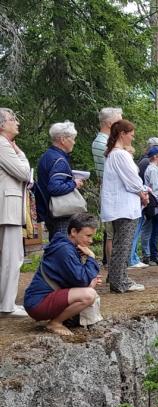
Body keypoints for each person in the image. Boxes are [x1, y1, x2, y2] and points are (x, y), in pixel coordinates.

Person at [23, 213, 101, 336]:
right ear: (74, 231)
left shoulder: (68, 247)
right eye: (88, 236)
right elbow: (82, 280)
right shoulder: (64, 250)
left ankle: (65, 319)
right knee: (89, 295)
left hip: (41, 300)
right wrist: (91, 258)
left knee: (88, 291)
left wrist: (89, 280)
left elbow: (78, 279)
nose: (90, 240)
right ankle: (55, 323)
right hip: (38, 303)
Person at [100, 119, 148, 293]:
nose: (132, 139)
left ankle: (117, 277)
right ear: (122, 134)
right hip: (123, 207)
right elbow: (132, 180)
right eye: (131, 135)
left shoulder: (113, 154)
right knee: (123, 244)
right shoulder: (120, 155)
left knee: (122, 243)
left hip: (120, 205)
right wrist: (142, 192)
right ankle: (119, 281)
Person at [0, 108, 32, 318]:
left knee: (11, 255)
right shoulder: (2, 145)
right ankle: (7, 304)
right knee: (12, 256)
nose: (17, 123)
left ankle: (6, 301)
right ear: (2, 125)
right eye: (13, 119)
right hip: (7, 207)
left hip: (8, 206)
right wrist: (20, 154)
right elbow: (23, 172)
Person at [35, 121, 86, 239]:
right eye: (72, 138)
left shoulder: (47, 155)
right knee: (62, 246)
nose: (74, 142)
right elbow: (54, 187)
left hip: (49, 211)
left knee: (55, 245)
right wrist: (74, 183)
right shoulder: (59, 160)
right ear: (63, 140)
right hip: (61, 214)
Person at [92, 107, 123, 266]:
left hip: (113, 191)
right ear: (110, 123)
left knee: (115, 232)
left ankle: (116, 267)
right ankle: (113, 267)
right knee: (112, 233)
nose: (122, 123)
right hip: (111, 192)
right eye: (119, 120)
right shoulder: (102, 143)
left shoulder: (107, 142)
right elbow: (114, 168)